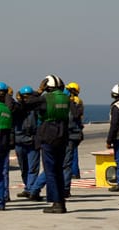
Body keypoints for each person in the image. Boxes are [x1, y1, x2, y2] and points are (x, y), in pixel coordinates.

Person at [24, 74, 70, 213]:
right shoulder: (66, 98)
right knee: (59, 170)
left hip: (48, 134)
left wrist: (38, 91)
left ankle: (56, 203)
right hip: (62, 134)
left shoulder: (45, 98)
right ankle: (61, 201)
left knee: (50, 171)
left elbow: (27, 104)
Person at [13, 86, 41, 198]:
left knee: (33, 168)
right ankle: (28, 187)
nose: (26, 99)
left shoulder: (37, 108)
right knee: (24, 167)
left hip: (32, 141)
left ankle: (31, 189)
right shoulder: (17, 108)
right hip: (20, 141)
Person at [0, 81, 16, 203]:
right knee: (3, 170)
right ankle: (4, 195)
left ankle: (0, 195)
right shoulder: (8, 106)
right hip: (5, 140)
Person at [63, 82, 85, 198]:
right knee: (73, 153)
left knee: (71, 156)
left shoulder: (73, 101)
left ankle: (74, 173)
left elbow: (74, 115)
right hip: (76, 131)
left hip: (70, 131)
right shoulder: (78, 100)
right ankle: (75, 172)